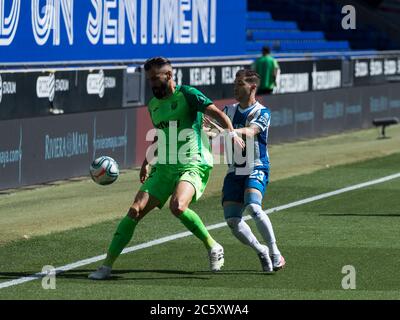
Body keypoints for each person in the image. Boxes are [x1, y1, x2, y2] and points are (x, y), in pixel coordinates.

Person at [89, 57, 245, 280]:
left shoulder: (188, 94)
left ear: (169, 76)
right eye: (149, 79)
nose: (151, 84)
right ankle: (105, 266)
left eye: (155, 78)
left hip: (193, 162)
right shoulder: (153, 105)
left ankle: (213, 246)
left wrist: (230, 132)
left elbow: (217, 114)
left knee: (178, 206)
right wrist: (146, 161)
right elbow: (162, 137)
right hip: (164, 166)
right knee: (134, 210)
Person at [204, 69, 285, 272]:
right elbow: (215, 131)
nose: (235, 88)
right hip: (234, 170)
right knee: (232, 220)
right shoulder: (228, 110)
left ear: (252, 87)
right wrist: (208, 132)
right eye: (234, 83)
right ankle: (261, 250)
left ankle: (275, 252)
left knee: (254, 207)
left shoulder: (262, 112)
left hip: (256, 165)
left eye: (240, 84)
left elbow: (251, 131)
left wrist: (230, 131)